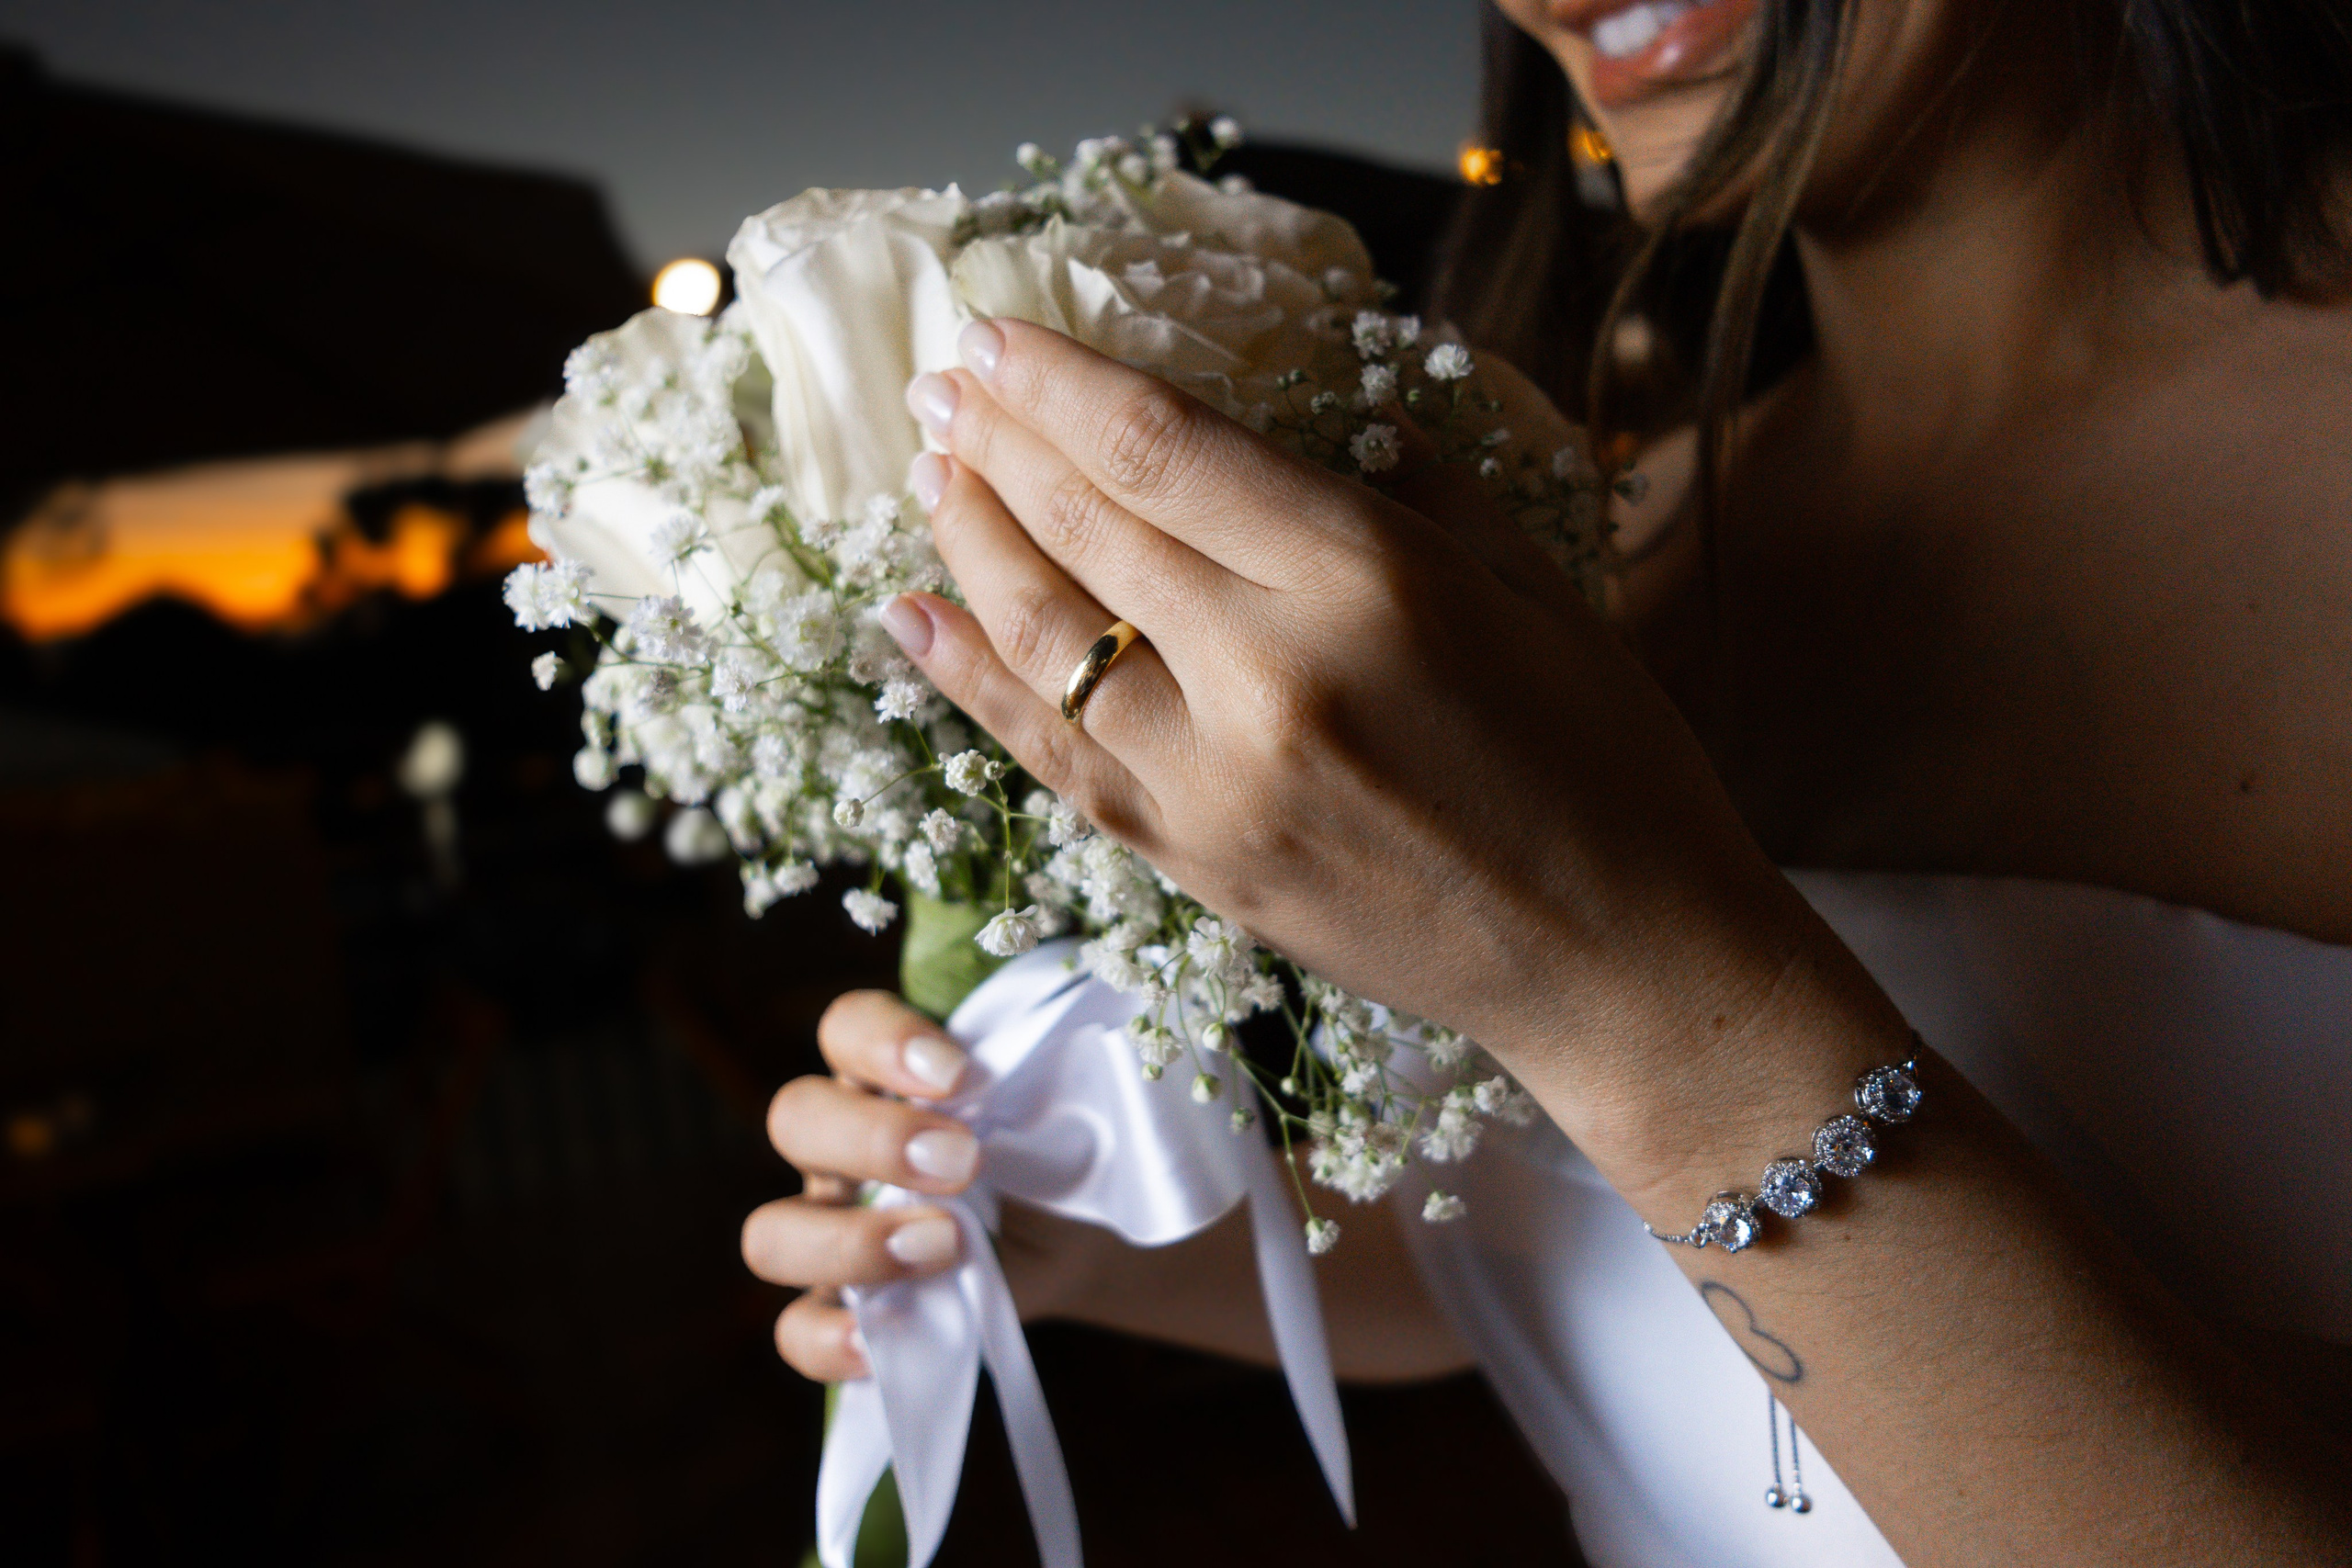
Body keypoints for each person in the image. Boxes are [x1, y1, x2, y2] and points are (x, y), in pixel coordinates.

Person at [740, 1, 2352, 1562]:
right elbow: (1574, 1260)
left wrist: (1631, 990)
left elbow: (1663, 1087)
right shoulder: (1588, 540)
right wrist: (1055, 1227)